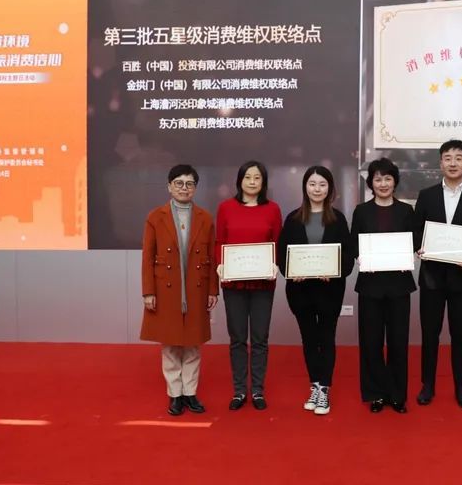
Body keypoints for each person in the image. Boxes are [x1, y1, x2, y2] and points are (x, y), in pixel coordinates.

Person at [412, 139, 462, 409]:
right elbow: (416, 229)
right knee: (429, 334)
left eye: (459, 158)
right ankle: (427, 385)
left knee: (460, 336)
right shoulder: (427, 195)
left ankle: (461, 387)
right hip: (431, 277)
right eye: (448, 158)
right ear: (440, 162)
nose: (453, 163)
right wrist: (419, 247)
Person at [140, 164, 219, 416]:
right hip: (166, 289)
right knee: (171, 345)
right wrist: (148, 292)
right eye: (179, 183)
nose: (184, 188)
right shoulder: (156, 217)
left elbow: (212, 257)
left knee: (193, 345)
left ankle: (190, 393)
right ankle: (175, 394)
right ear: (169, 186)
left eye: (189, 184)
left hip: (197, 288)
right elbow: (147, 257)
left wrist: (213, 290)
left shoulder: (205, 217)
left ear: (195, 188)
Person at [276, 166, 355, 415]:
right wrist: (291, 272)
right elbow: (282, 255)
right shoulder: (293, 219)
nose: (317, 189)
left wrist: (334, 270)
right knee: (309, 339)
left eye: (322, 184)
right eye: (312, 184)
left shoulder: (338, 219)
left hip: (329, 290)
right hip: (300, 291)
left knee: (327, 337)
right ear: (305, 187)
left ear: (330, 188)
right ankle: (315, 385)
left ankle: (324, 389)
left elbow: (348, 256)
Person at [215, 160, 283, 411]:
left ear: (263, 182)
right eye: (248, 177)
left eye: (257, 178)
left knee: (260, 338)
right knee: (237, 338)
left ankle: (257, 390)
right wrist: (220, 264)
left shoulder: (273, 209)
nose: (252, 182)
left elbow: (277, 242)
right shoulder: (225, 208)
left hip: (263, 284)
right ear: (239, 180)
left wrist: (275, 264)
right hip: (233, 284)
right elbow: (220, 241)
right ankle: (239, 391)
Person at [350, 157, 416, 414]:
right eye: (378, 179)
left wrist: (410, 254)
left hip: (399, 286)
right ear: (371, 183)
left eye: (388, 178)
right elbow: (354, 243)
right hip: (370, 286)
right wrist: (361, 257)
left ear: (395, 181)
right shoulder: (361, 211)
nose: (383, 183)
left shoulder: (406, 211)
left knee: (399, 343)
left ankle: (397, 395)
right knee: (371, 342)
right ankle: (376, 394)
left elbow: (413, 242)